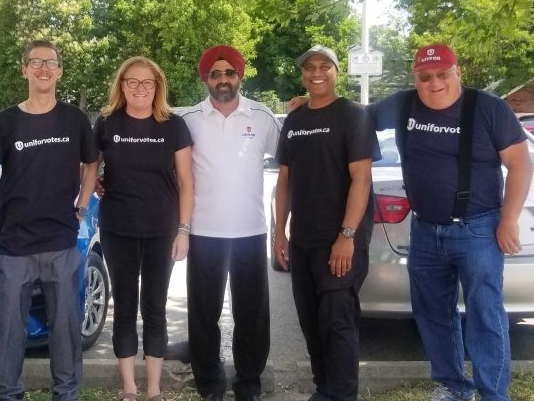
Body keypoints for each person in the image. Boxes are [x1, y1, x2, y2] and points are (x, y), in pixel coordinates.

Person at [366, 43, 532, 401]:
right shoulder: (403, 103)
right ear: (416, 78)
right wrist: (315, 105)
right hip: (425, 230)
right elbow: (357, 119)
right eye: (425, 76)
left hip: (479, 228)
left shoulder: (488, 108)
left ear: (458, 72)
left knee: (485, 315)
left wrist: (510, 219)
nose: (434, 83)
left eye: (442, 74)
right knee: (433, 315)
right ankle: (455, 389)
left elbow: (520, 164)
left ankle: (494, 395)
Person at [0, 40, 99, 401]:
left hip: (61, 241)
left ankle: (67, 394)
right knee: (10, 330)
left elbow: (92, 163)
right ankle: (5, 394)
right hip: (14, 244)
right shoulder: (5, 122)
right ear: (25, 69)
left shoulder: (74, 119)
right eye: (36, 62)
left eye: (51, 62)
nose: (44, 68)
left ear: (59, 71)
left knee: (65, 328)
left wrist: (82, 205)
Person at [273, 45, 379, 401]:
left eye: (324, 66)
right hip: (302, 239)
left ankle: (343, 395)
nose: (316, 73)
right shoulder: (295, 119)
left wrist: (347, 236)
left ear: (337, 72)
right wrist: (279, 233)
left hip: (341, 240)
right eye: (309, 67)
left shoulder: (352, 116)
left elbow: (361, 179)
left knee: (338, 322)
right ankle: (324, 389)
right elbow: (284, 180)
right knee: (311, 320)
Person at [180, 45, 281, 401]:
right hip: (204, 231)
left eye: (229, 73)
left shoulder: (262, 116)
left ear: (240, 76)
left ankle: (249, 381)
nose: (223, 80)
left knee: (251, 313)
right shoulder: (190, 119)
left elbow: (289, 161)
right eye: (215, 74)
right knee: (203, 312)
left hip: (250, 231)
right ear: (206, 79)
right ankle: (209, 382)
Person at [94, 56, 193, 401]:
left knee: (155, 306)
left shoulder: (174, 125)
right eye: (132, 82)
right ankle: (129, 390)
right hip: (117, 228)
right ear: (122, 86)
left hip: (161, 230)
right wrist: (92, 185)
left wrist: (184, 229)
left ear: (157, 87)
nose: (140, 89)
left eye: (147, 83)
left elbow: (186, 181)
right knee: (124, 305)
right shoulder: (106, 123)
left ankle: (153, 390)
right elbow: (90, 167)